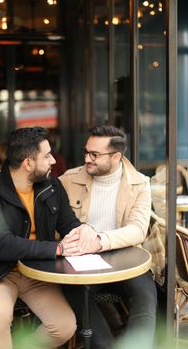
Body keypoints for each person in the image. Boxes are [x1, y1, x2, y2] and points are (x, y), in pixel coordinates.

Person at [0, 126, 95, 349]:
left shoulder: (52, 186)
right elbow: (2, 246)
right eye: (47, 156)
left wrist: (83, 231)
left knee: (64, 325)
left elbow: (68, 223)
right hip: (0, 273)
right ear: (28, 163)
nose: (54, 160)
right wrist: (58, 249)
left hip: (38, 272)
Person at [59, 125, 157, 349]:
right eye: (86, 152)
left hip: (127, 260)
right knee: (75, 294)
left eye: (95, 154)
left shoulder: (140, 183)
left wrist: (100, 240)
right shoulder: (68, 179)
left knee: (146, 297)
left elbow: (138, 229)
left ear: (116, 157)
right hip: (80, 261)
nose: (87, 158)